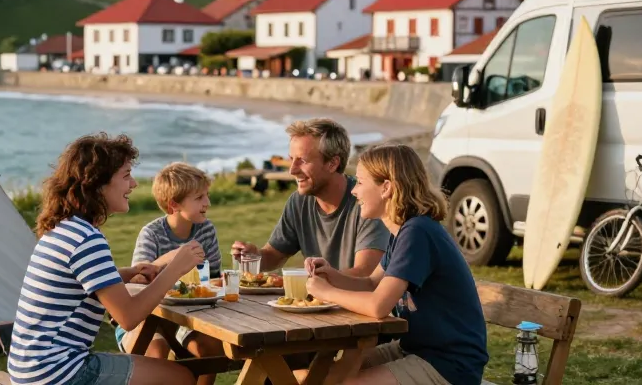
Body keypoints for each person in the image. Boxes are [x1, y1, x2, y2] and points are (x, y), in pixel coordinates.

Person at [7, 133, 203, 385]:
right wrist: (174, 269)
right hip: (58, 371)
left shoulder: (64, 228)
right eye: (126, 175)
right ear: (97, 183)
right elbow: (128, 317)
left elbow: (76, 285)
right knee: (180, 377)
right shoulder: (86, 239)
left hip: (30, 368)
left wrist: (127, 273)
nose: (133, 184)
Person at [303, 143, 489, 385]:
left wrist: (327, 292)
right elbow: (372, 284)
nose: (354, 191)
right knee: (322, 377)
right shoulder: (403, 231)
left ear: (386, 188)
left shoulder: (418, 233)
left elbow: (378, 305)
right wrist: (331, 275)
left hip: (448, 364)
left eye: (360, 182)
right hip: (414, 349)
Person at [231, 118, 390, 277]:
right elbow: (274, 256)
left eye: (302, 161)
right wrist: (254, 256)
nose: (292, 170)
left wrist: (310, 281)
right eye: (291, 159)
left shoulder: (367, 202)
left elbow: (365, 274)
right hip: (321, 292)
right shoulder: (299, 202)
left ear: (332, 163)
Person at [114, 162, 224, 385]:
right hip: (146, 321)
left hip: (188, 318)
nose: (207, 202)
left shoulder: (206, 230)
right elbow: (137, 281)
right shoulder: (152, 233)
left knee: (209, 349)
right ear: (174, 204)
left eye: (207, 195)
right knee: (157, 351)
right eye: (199, 197)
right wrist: (171, 259)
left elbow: (213, 278)